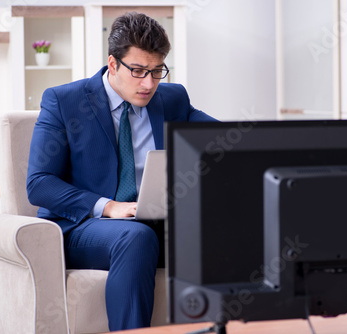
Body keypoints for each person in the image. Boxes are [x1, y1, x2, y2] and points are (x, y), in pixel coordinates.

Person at [26, 11, 216, 330]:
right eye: (139, 71)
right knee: (135, 236)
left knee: (227, 230)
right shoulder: (64, 101)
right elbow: (39, 184)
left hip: (153, 221)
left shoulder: (172, 98)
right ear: (113, 64)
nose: (149, 83)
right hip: (84, 226)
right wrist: (109, 207)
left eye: (157, 71)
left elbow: (218, 138)